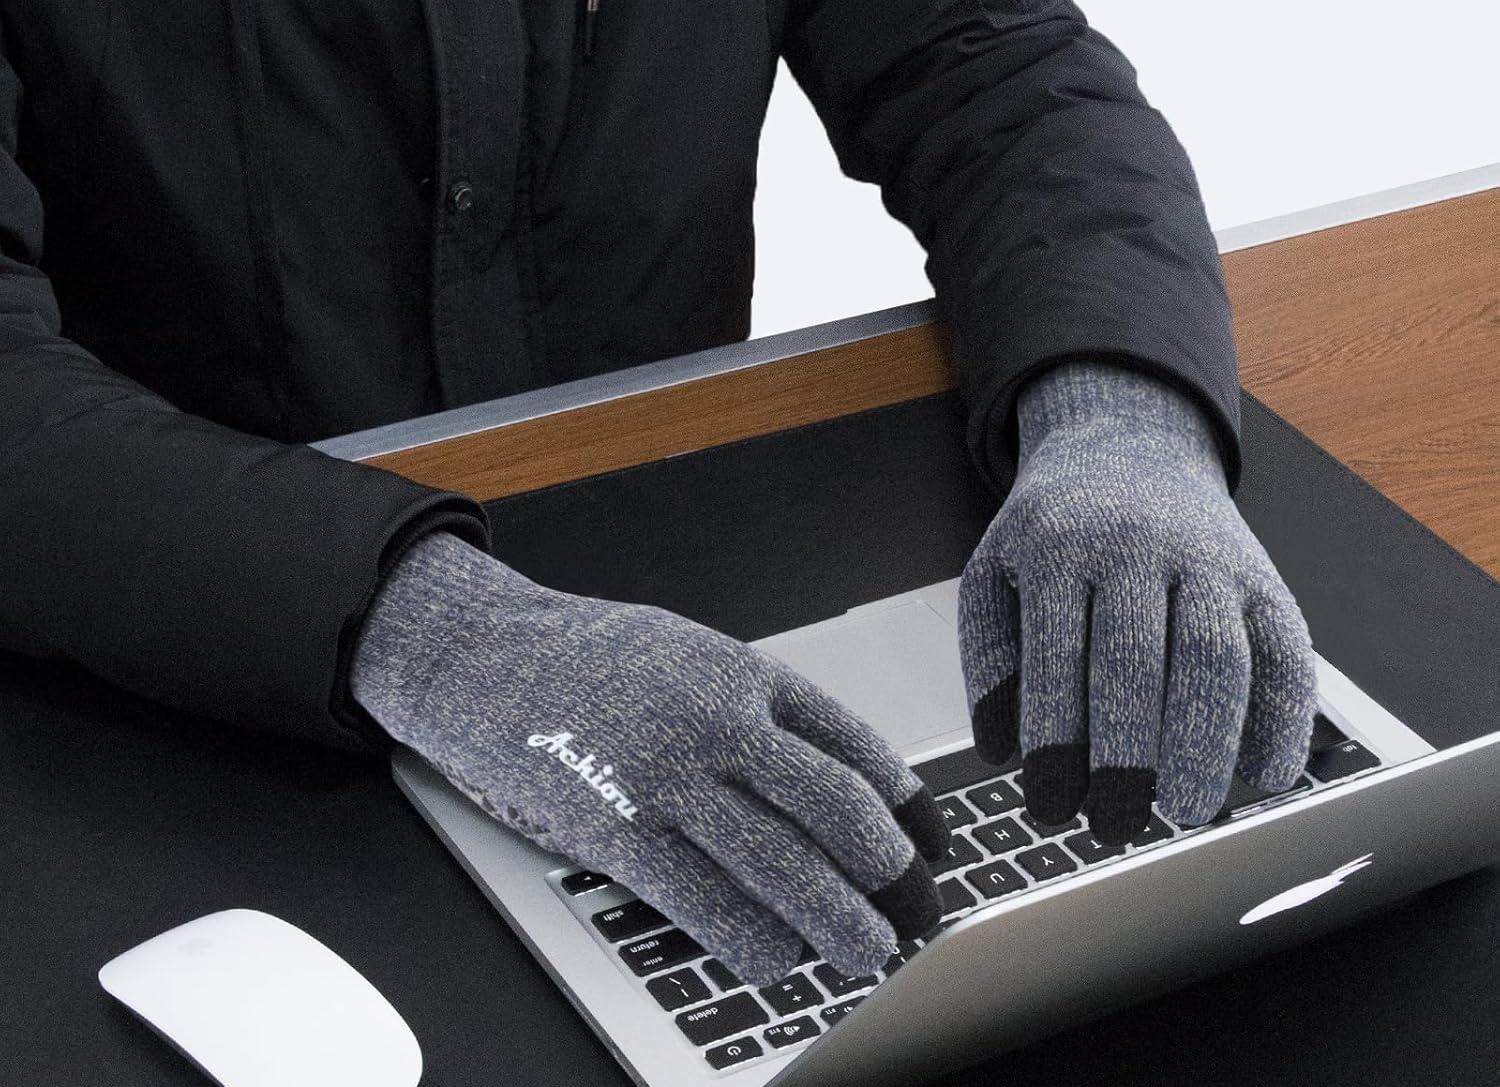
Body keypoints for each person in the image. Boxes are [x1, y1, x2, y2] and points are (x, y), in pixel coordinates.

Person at [0, 1, 1314, 986]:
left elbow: (1000, 77)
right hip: (185, 683)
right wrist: (438, 635)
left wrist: (1118, 414)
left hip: (699, 610)